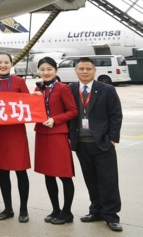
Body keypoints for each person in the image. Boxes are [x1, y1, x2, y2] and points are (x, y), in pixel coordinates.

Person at [68, 57, 123, 232]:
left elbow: (116, 115)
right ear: (76, 70)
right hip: (81, 144)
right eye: (81, 68)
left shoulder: (107, 90)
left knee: (108, 180)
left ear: (94, 71)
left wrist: (112, 138)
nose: (85, 71)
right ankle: (96, 211)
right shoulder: (70, 89)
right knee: (91, 180)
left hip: (102, 143)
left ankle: (111, 215)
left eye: (88, 69)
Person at [0, 53, 31, 223]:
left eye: (6, 62)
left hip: (16, 132)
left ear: (11, 64)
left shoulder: (19, 81)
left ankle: (23, 209)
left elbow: (28, 103)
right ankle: (8, 208)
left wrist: (35, 98)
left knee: (20, 171)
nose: (2, 65)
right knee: (3, 172)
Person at [32, 57, 78, 226]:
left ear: (56, 71)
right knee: (48, 174)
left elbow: (72, 111)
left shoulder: (63, 88)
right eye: (42, 69)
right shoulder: (38, 88)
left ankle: (67, 211)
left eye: (49, 69)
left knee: (64, 174)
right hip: (42, 134)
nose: (46, 72)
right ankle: (56, 209)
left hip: (58, 134)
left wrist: (55, 120)